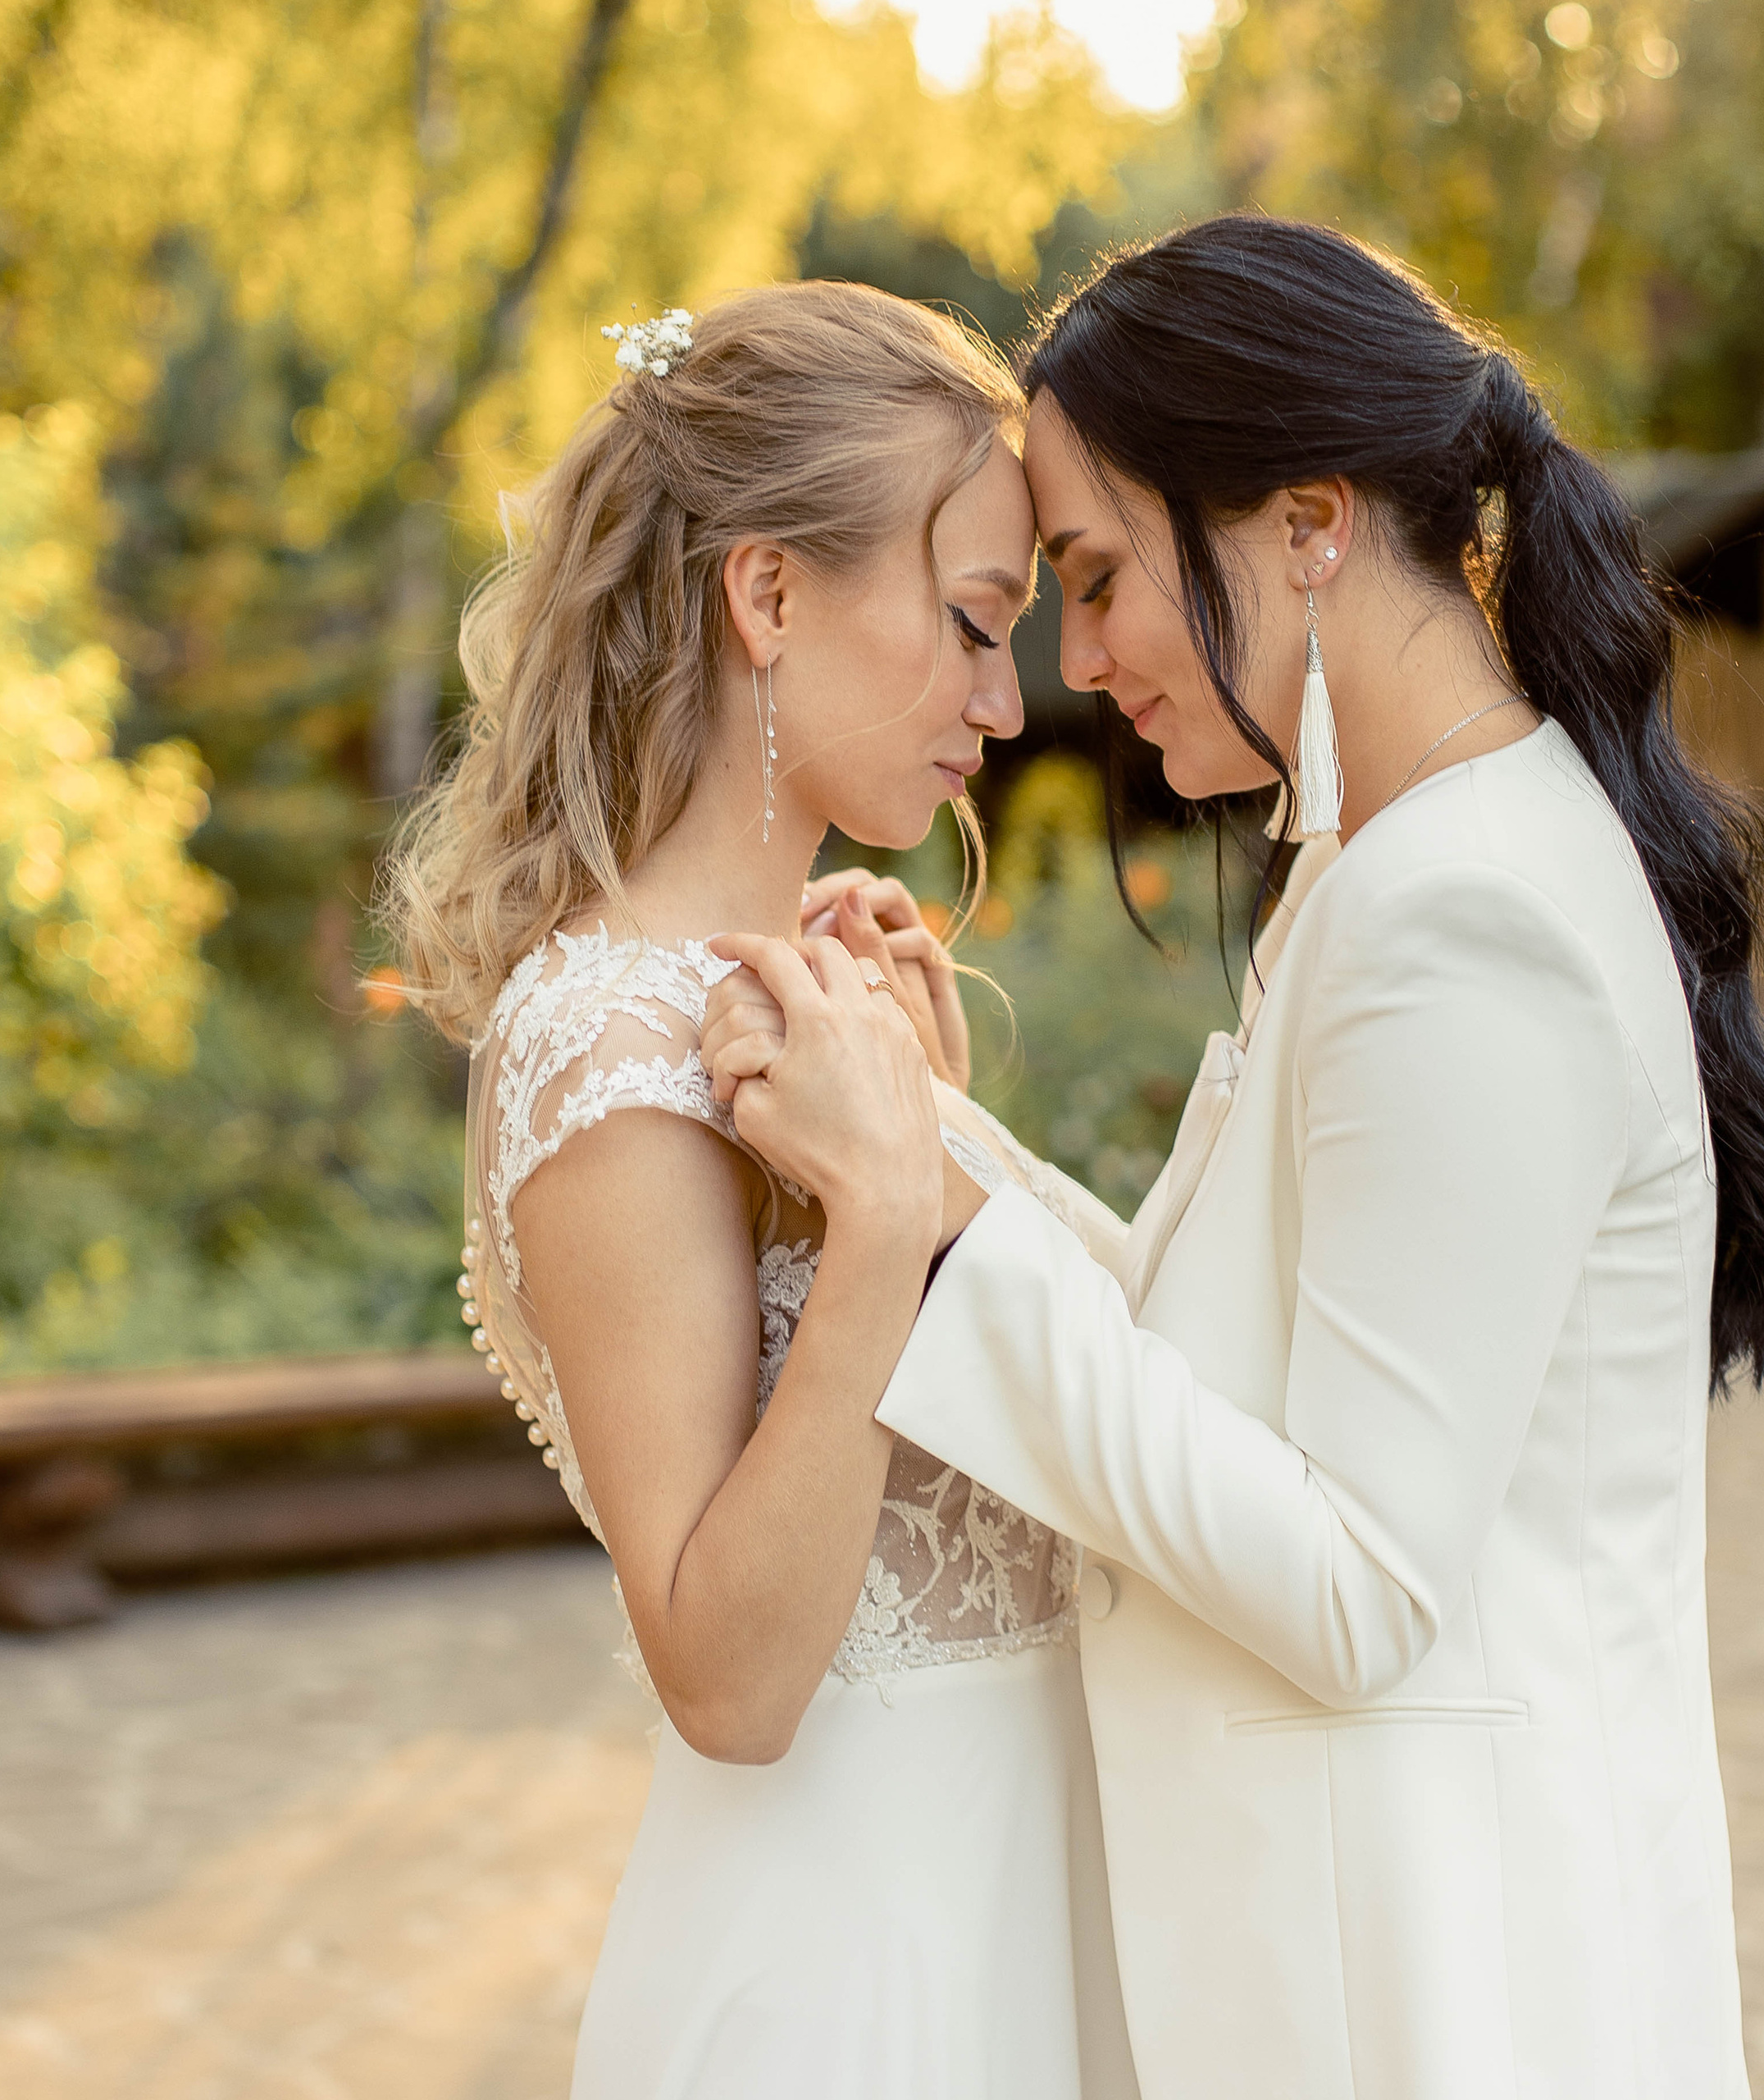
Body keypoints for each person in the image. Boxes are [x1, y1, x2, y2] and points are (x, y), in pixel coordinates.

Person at [703, 217, 1764, 2100]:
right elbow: (1223, 1372)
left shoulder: (1461, 909)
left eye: (1094, 576)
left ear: (1304, 525)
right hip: (1379, 1943)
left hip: (1437, 1980)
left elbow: (1353, 1573)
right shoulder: (1386, 867)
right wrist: (924, 1135)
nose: (1076, 658)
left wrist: (925, 1220)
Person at [385, 281, 1137, 2100]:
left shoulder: (816, 1015)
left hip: (1034, 1901)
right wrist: (885, 1218)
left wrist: (934, 1134)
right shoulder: (610, 1054)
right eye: (970, 622)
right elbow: (726, 1675)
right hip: (850, 1974)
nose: (1000, 703)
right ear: (770, 593)